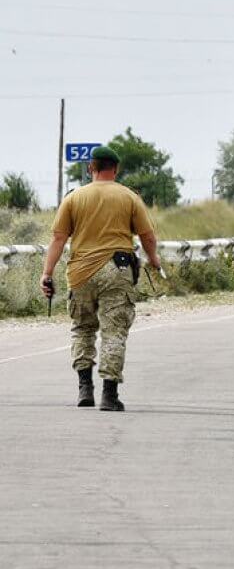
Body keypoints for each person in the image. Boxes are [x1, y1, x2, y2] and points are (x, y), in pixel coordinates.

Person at [41, 145, 160, 412]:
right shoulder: (129, 197)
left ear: (90, 168)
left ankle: (85, 387)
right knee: (113, 331)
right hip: (117, 271)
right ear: (115, 169)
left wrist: (47, 274)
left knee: (82, 329)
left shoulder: (73, 198)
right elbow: (147, 236)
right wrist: (154, 260)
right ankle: (109, 393)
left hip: (81, 272)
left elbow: (58, 239)